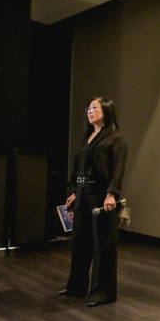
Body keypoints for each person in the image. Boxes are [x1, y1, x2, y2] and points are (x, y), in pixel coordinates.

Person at [58, 97, 128, 307]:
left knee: (103, 245)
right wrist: (74, 191)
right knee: (80, 242)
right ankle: (76, 286)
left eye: (94, 108)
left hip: (101, 195)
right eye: (88, 108)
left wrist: (111, 194)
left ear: (106, 111)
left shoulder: (116, 140)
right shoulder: (87, 139)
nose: (90, 111)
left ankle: (102, 292)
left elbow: (117, 171)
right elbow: (78, 167)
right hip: (82, 193)